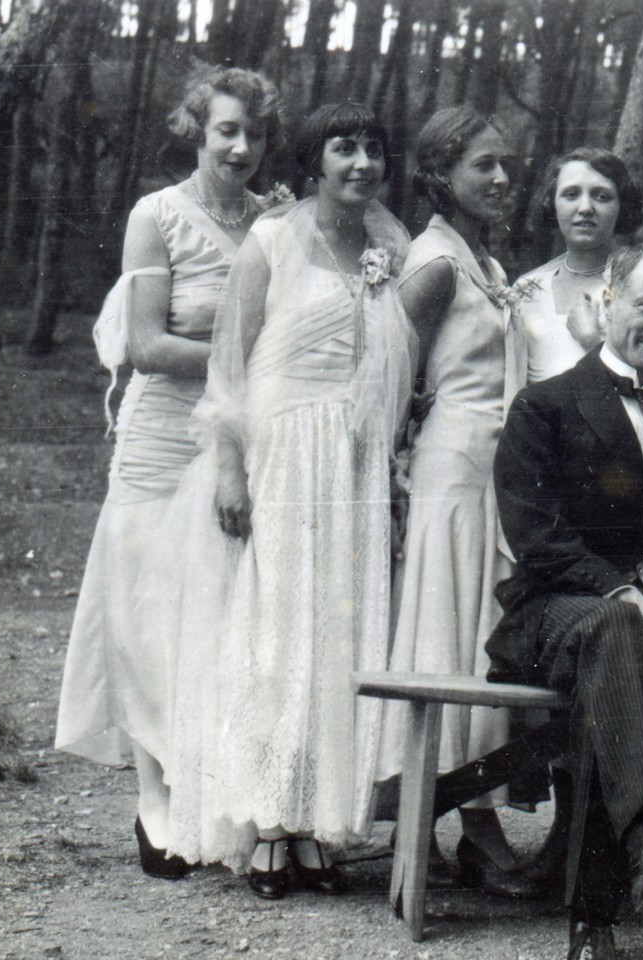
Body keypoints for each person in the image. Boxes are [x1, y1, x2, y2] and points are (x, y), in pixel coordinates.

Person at [155, 103, 415, 898]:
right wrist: (230, 469)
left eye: (373, 149)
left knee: (335, 638)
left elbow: (392, 370)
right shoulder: (271, 239)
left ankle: (315, 823)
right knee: (274, 633)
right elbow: (228, 366)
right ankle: (267, 823)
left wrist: (389, 471)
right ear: (314, 160)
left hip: (354, 465)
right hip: (281, 455)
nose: (362, 163)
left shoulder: (390, 246)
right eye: (344, 148)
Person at [55, 66, 282, 880]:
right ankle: (153, 796)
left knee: (219, 613)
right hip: (162, 438)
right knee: (146, 614)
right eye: (227, 131)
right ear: (197, 131)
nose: (241, 148)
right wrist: (257, 357)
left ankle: (208, 793)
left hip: (240, 436)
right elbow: (147, 345)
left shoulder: (276, 221)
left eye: (254, 134)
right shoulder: (156, 216)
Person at [487, 244, 643, 960]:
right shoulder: (543, 405)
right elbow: (536, 540)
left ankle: (599, 920)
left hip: (629, 632)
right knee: (619, 632)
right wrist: (631, 598)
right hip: (549, 615)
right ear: (608, 301)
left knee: (624, 656)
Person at [384, 107, 535, 896]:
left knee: (481, 636)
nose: (502, 178)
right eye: (483, 165)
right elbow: (390, 375)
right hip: (451, 469)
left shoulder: (487, 261)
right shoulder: (435, 263)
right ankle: (452, 824)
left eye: (507, 164)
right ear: (440, 175)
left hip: (493, 470)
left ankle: (463, 819)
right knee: (446, 636)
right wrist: (392, 472)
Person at [514, 147, 643, 384]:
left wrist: (592, 341)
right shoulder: (528, 289)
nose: (585, 208)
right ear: (552, 204)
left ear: (622, 205)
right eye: (571, 194)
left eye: (602, 196)